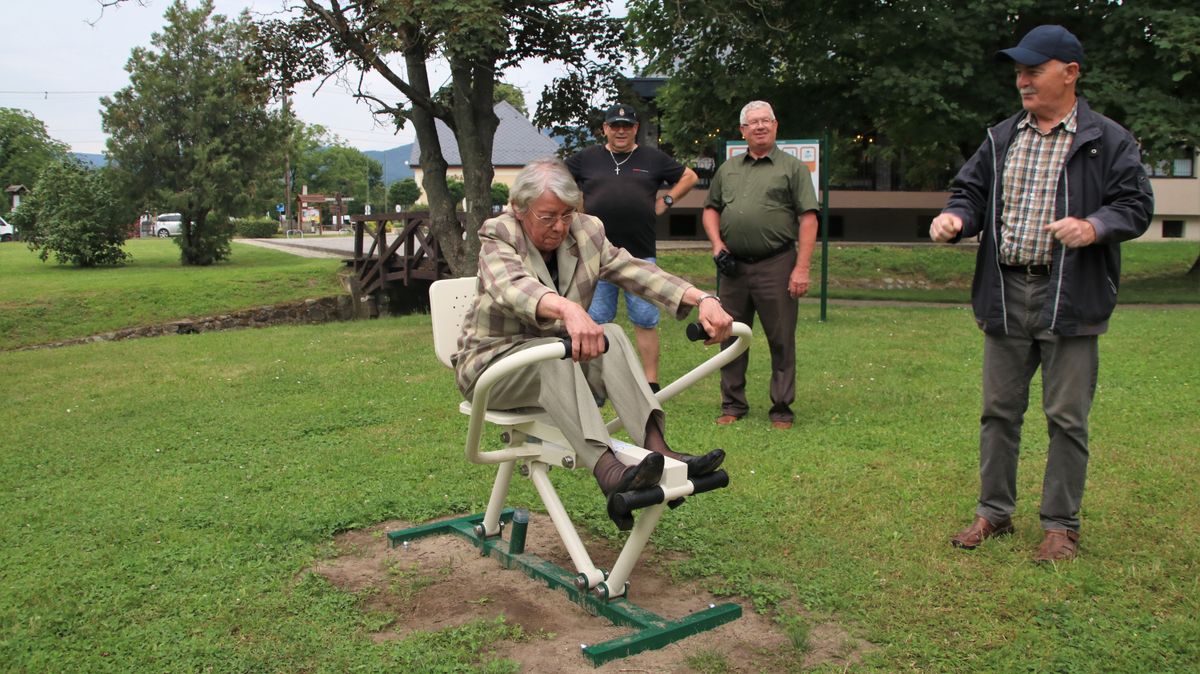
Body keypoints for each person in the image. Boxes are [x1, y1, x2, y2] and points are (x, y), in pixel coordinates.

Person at [930, 25, 1153, 562]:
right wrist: (955, 216)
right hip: (1006, 292)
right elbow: (970, 191)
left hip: (1070, 296)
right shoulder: (1002, 136)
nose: (1023, 80)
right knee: (998, 413)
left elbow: (1135, 206)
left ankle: (1060, 526)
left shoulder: (1108, 139)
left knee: (1067, 417)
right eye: (1019, 71)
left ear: (1070, 72)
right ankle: (994, 513)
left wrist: (1094, 226)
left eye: (1034, 69)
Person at [453, 158, 733, 530]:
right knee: (552, 355)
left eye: (568, 215)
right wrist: (567, 309)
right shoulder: (498, 234)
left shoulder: (587, 231)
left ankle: (658, 448)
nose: (560, 227)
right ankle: (609, 472)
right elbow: (512, 287)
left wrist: (701, 299)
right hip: (492, 366)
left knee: (612, 335)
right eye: (548, 216)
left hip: (554, 355)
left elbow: (636, 271)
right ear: (520, 210)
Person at [702, 101, 819, 430]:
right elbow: (711, 209)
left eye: (765, 121)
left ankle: (781, 407)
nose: (759, 126)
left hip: (777, 264)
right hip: (733, 268)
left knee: (781, 338)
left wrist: (802, 268)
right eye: (752, 122)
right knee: (730, 335)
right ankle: (733, 404)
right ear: (742, 131)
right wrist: (717, 244)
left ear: (775, 125)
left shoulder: (792, 168)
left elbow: (808, 219)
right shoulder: (728, 169)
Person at [566, 104, 699, 393]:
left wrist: (667, 201)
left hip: (640, 252)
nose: (621, 130)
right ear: (605, 129)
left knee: (645, 320)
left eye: (627, 125)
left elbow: (689, 176)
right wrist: (575, 208)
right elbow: (557, 178)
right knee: (596, 320)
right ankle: (595, 384)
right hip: (596, 254)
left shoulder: (652, 157)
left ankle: (651, 382)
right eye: (615, 125)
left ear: (636, 128)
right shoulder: (587, 158)